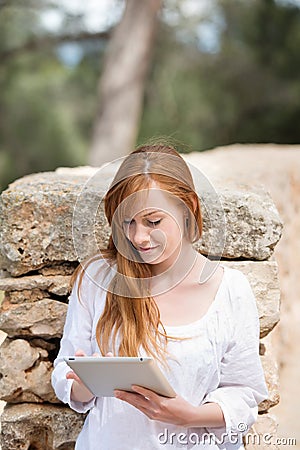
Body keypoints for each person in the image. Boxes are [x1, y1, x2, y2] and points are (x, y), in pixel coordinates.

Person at [51, 144, 269, 450]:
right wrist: (84, 385)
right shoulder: (98, 279)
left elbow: (244, 393)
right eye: (128, 222)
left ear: (188, 206)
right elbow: (65, 369)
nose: (138, 237)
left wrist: (189, 416)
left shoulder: (230, 290)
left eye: (153, 221)